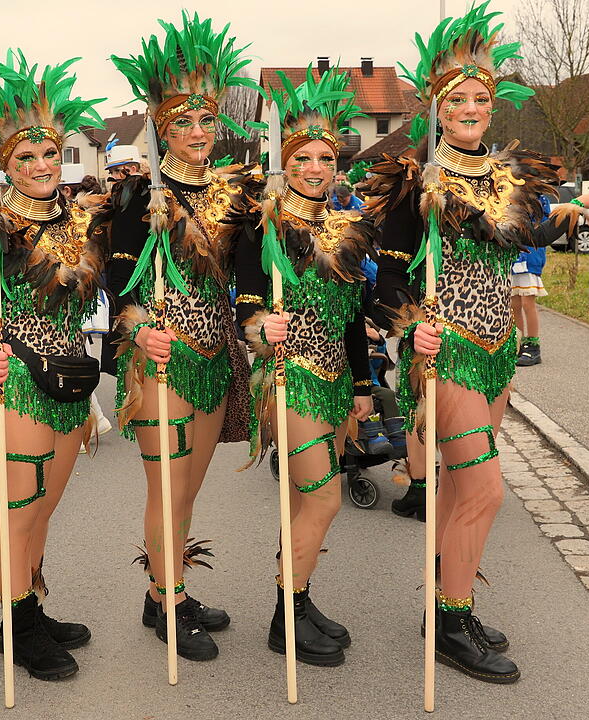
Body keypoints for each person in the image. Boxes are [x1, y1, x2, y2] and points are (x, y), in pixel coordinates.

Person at [361, 3, 589, 684]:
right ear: (437, 108)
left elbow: (531, 233)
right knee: (486, 491)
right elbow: (386, 276)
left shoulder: (508, 177)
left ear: (492, 105)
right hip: (447, 353)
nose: (471, 109)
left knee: (458, 489)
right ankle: (451, 624)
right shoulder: (414, 181)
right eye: (458, 100)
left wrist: (574, 217)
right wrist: (408, 323)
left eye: (480, 98)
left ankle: (449, 604)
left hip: (499, 349)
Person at [92, 11, 258, 661]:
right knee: (166, 488)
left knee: (188, 489)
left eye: (205, 120)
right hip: (161, 360)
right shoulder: (139, 196)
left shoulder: (234, 194)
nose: (196, 131)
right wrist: (137, 329)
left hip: (215, 356)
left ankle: (166, 591)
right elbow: (118, 283)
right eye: (182, 121)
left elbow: (251, 273)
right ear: (161, 126)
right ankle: (167, 604)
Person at [0, 51, 104, 680]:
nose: (39, 166)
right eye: (25, 156)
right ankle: (18, 629)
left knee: (41, 511)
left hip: (69, 382)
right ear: (5, 164)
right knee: (15, 513)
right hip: (13, 385)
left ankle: (29, 607)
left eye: (49, 154)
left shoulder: (79, 221)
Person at [234, 68, 374, 667]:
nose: (316, 169)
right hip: (288, 377)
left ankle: (298, 596)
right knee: (324, 499)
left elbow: (353, 316)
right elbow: (244, 301)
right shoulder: (264, 224)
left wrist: (364, 384)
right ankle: (284, 618)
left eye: (326, 159)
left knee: (301, 501)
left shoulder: (345, 227)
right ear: (283, 163)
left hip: (337, 380)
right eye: (303, 159)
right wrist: (259, 325)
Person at [511, 195, 552, 366]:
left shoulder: (540, 200)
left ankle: (533, 346)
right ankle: (518, 343)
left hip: (530, 257)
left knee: (528, 303)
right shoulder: (511, 195)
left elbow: (541, 227)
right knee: (514, 304)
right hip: (513, 258)